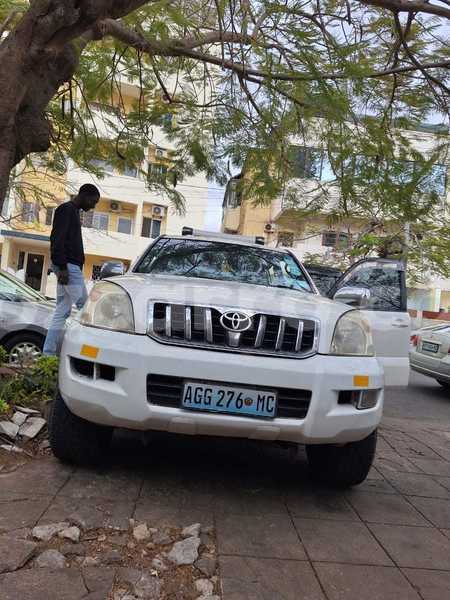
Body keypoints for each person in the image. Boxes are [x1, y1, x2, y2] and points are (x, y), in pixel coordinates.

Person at [43, 184, 100, 355]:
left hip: (68, 266)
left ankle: (48, 353)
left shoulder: (74, 212)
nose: (93, 206)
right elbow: (57, 238)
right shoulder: (66, 209)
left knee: (62, 311)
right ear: (84, 195)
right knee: (86, 308)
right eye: (93, 201)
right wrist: (62, 268)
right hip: (68, 267)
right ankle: (90, 353)